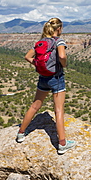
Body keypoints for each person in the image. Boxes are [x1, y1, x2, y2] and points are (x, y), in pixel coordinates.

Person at [16, 17, 76, 154]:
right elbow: (61, 56)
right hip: (57, 78)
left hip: (43, 78)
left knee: (35, 106)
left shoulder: (40, 42)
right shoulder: (59, 41)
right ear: (59, 29)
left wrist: (37, 64)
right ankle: (62, 143)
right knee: (59, 110)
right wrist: (64, 64)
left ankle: (21, 133)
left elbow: (27, 56)